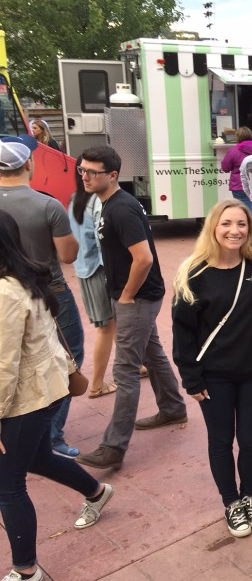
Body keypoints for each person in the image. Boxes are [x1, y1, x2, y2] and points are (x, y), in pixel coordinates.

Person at [0, 210, 113, 581]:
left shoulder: (5, 291)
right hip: (46, 388)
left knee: (8, 486)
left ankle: (26, 570)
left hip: (26, 398)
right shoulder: (23, 277)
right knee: (38, 458)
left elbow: (4, 365)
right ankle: (96, 492)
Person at [74, 145, 187, 470]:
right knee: (152, 353)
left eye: (92, 171)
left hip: (137, 299)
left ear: (112, 175)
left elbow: (144, 258)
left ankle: (113, 446)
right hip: (136, 296)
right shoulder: (109, 203)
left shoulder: (120, 208)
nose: (84, 176)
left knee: (125, 371)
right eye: (82, 170)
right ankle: (172, 408)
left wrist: (126, 296)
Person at [172, 200, 252, 537]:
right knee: (221, 441)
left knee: (251, 440)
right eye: (226, 223)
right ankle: (231, 502)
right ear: (213, 227)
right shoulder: (193, 274)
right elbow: (183, 332)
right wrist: (190, 377)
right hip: (214, 376)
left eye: (242, 224)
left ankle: (249, 497)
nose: (234, 231)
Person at [0, 136, 83, 459]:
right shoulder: (47, 205)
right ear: (28, 164)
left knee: (9, 360)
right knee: (66, 357)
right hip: (47, 291)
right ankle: (51, 436)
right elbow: (68, 255)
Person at [68, 163, 117, 399]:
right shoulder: (96, 202)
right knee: (106, 327)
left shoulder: (75, 199)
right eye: (85, 170)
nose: (87, 175)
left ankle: (137, 363)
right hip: (98, 269)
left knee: (111, 323)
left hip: (83, 268)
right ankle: (96, 384)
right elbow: (102, 242)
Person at [220, 126, 252, 211]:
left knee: (242, 210)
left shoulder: (233, 151)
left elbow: (225, 168)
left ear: (238, 137)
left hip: (239, 185)